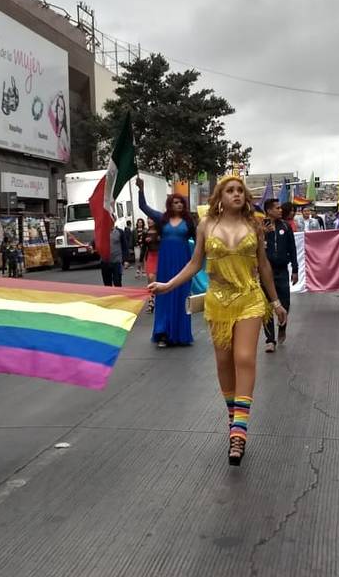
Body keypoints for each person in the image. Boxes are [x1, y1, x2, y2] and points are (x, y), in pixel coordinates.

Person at [149, 175, 287, 465]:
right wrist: (167, 286)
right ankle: (233, 415)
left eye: (240, 190)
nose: (236, 194)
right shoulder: (206, 225)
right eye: (230, 190)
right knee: (224, 363)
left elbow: (262, 264)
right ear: (220, 197)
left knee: (245, 357)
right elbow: (194, 263)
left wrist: (275, 302)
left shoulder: (254, 225)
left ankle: (239, 431)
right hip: (218, 302)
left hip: (249, 299)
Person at [137, 178, 196, 347]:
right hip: (165, 265)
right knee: (164, 295)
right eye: (175, 202)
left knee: (182, 296)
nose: (178, 205)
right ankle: (162, 333)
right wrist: (141, 189)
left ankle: (181, 334)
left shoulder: (189, 222)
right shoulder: (162, 219)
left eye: (180, 202)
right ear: (170, 204)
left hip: (183, 264)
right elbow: (143, 207)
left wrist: (198, 263)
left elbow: (199, 242)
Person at [260, 199, 298, 352]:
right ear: (268, 210)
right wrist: (262, 234)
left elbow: (293, 249)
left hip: (282, 271)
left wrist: (295, 269)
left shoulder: (286, 227)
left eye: (280, 208)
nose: (280, 210)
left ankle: (282, 326)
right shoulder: (260, 226)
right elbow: (253, 247)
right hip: (265, 271)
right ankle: (270, 340)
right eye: (277, 208)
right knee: (267, 307)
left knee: (285, 303)